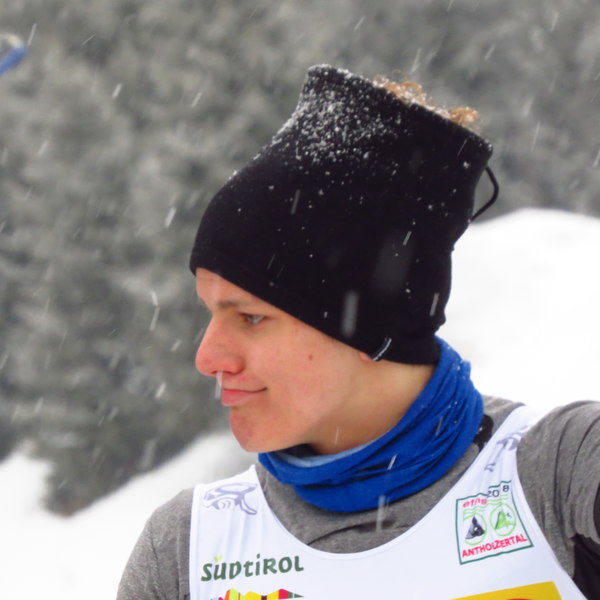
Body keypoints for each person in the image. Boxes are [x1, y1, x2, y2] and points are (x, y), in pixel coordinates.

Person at [117, 65, 600, 600]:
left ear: (368, 323)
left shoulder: (560, 473)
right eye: (210, 313)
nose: (208, 357)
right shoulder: (189, 548)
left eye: (250, 317)